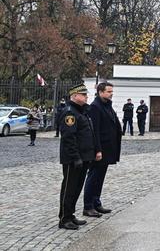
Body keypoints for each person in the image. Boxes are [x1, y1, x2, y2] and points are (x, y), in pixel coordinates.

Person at [58, 83, 101, 230]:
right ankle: (64, 218)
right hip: (73, 159)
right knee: (69, 188)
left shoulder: (82, 112)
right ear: (74, 96)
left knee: (76, 189)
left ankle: (70, 215)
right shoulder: (70, 113)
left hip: (83, 157)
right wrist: (75, 157)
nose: (86, 97)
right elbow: (69, 138)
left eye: (86, 94)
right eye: (83, 95)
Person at [83, 82, 122, 218]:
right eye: (109, 91)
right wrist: (97, 150)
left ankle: (96, 202)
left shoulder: (107, 105)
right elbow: (95, 131)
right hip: (100, 150)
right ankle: (88, 206)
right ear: (100, 92)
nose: (111, 94)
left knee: (100, 178)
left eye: (112, 91)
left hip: (108, 149)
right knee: (93, 177)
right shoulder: (95, 107)